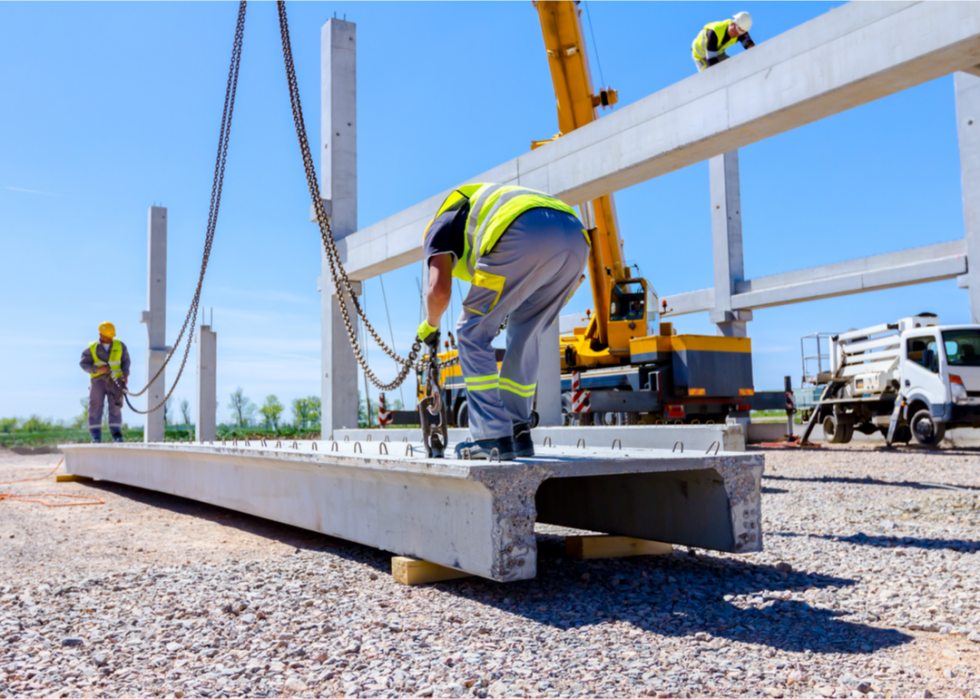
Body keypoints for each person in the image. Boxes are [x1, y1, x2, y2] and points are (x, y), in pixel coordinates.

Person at [417, 184, 590, 460]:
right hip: (576, 239)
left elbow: (438, 291)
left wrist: (430, 326)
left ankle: (491, 436)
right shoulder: (472, 206)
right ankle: (517, 429)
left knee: (471, 330)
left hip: (524, 231)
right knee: (526, 332)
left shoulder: (437, 228)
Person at [79, 321, 131, 443]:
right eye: (106, 336)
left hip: (116, 380)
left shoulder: (120, 345)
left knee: (116, 406)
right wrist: (97, 369)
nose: (108, 339)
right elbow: (83, 363)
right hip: (98, 381)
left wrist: (125, 375)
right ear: (100, 334)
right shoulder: (91, 348)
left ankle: (117, 435)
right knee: (95, 406)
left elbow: (126, 361)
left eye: (110, 337)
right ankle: (95, 437)